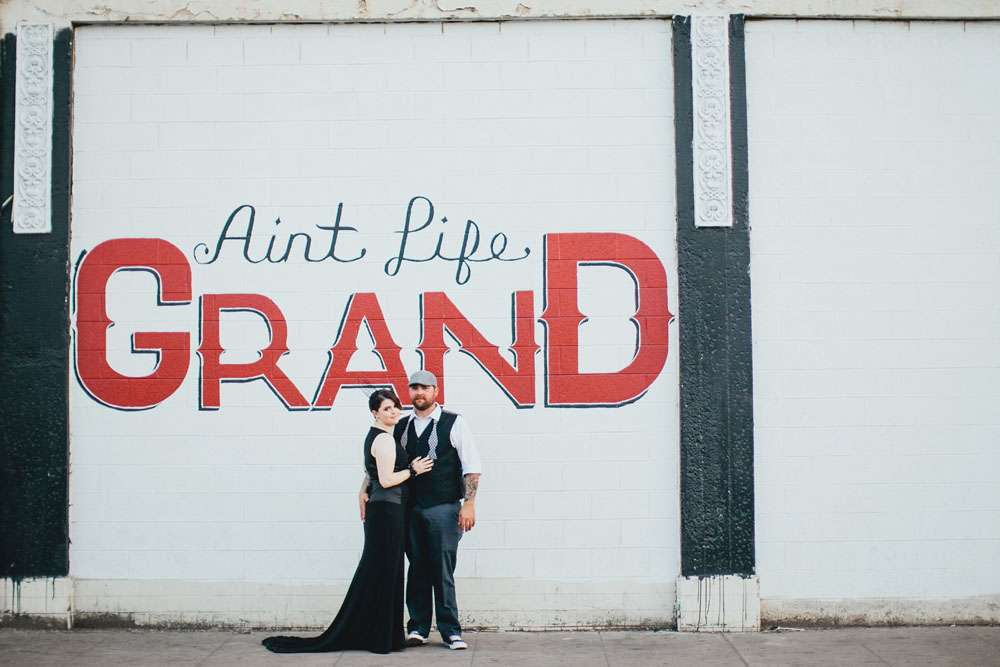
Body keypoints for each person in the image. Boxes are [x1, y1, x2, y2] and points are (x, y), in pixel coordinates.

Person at [262, 389, 433, 655]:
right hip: (387, 513)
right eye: (387, 408)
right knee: (384, 572)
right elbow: (386, 479)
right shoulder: (384, 440)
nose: (393, 412)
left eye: (396, 407)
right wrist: (413, 470)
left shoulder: (379, 436)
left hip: (386, 511)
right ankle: (380, 637)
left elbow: (371, 473)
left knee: (381, 571)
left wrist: (362, 489)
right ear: (375, 413)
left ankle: (379, 634)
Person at [393, 370, 483, 650]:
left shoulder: (454, 422)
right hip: (410, 509)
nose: (419, 392)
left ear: (435, 391)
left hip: (444, 507)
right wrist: (364, 489)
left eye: (425, 387)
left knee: (442, 570)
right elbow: (383, 461)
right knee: (417, 569)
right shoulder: (401, 425)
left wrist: (469, 503)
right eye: (414, 387)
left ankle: (451, 632)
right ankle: (417, 628)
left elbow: (471, 466)